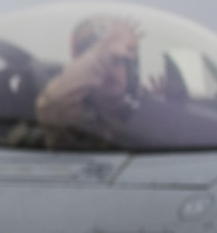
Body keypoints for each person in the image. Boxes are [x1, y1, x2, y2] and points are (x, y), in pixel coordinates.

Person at [34, 15, 149, 149]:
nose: (109, 71)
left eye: (117, 61)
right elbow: (55, 103)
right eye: (101, 62)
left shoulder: (138, 111)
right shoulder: (73, 116)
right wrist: (105, 48)